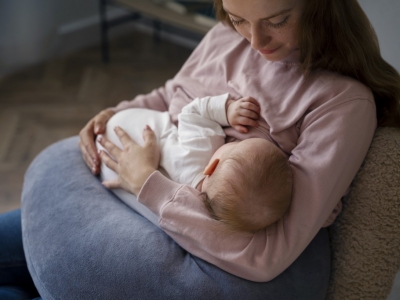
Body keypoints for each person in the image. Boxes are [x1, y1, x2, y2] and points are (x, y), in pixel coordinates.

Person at [2, 0, 400, 298]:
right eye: (239, 18)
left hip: (182, 223)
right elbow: (170, 95)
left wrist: (148, 181)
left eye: (277, 20)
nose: (254, 41)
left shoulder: (341, 102)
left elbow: (268, 253)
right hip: (134, 191)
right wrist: (114, 115)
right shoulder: (225, 36)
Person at [97, 94, 292, 232]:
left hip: (122, 130)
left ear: (212, 166)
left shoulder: (203, 147)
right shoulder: (189, 206)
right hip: (115, 174)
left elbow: (192, 112)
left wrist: (227, 110)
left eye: (238, 144)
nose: (235, 140)